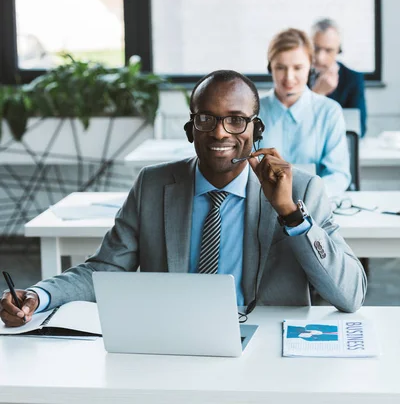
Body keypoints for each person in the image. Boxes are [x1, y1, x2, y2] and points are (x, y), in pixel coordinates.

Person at [0, 70, 366, 327]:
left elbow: (350, 295)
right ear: (191, 129)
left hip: (266, 344)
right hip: (174, 339)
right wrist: (38, 295)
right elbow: (105, 269)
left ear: (256, 129)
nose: (221, 132)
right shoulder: (153, 185)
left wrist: (289, 214)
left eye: (237, 120)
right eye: (207, 119)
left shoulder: (300, 189)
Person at [258, 28, 351, 197]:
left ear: (310, 67)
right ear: (270, 67)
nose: (289, 77)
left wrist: (308, 198)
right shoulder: (253, 111)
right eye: (280, 68)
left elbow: (338, 175)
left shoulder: (329, 111)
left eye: (298, 68)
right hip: (262, 205)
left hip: (313, 206)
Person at [310, 18, 367, 137]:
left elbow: (359, 130)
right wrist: (317, 94)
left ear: (338, 50)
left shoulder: (353, 79)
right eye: (316, 48)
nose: (320, 57)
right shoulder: (296, 77)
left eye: (328, 50)